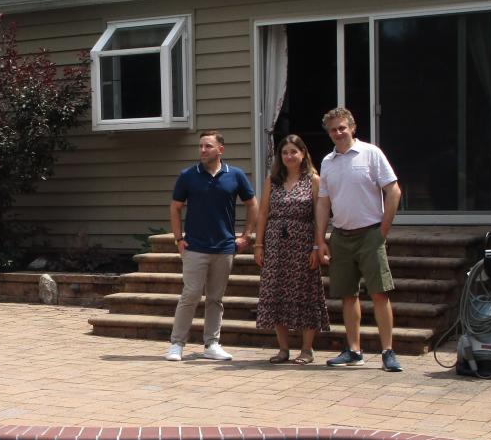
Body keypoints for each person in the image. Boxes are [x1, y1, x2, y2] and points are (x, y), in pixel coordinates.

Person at [314, 107, 403, 371]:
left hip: (370, 233)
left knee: (379, 293)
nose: (338, 133)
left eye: (342, 127)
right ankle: (354, 350)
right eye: (333, 130)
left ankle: (388, 350)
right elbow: (323, 203)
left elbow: (393, 190)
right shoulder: (328, 162)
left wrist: (383, 230)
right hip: (341, 235)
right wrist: (321, 239)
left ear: (352, 128)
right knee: (348, 295)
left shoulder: (371, 154)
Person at [165, 130, 255, 361]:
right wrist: (178, 239)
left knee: (215, 298)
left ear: (220, 150)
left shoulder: (235, 175)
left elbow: (252, 205)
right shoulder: (188, 176)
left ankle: (211, 344)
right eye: (201, 146)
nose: (203, 150)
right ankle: (177, 344)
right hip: (194, 246)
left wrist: (246, 235)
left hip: (224, 247)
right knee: (191, 294)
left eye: (208, 146)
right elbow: (175, 207)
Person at [254, 134, 329, 364]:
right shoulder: (272, 180)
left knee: (305, 291)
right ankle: (283, 349)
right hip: (276, 244)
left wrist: (318, 245)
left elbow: (319, 215)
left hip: (303, 242)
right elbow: (264, 213)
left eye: (293, 152)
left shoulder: (313, 180)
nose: (289, 156)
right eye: (285, 152)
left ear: (303, 153)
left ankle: (307, 349)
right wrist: (259, 244)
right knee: (276, 291)